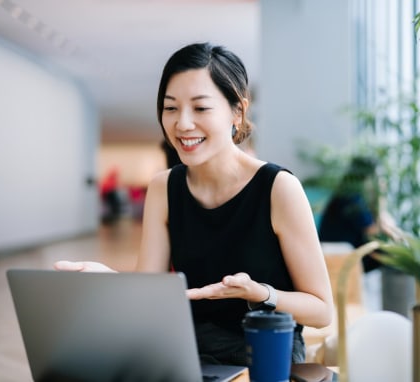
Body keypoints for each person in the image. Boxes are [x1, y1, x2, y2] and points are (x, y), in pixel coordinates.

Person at [55, 42, 333, 365]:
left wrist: (259, 294)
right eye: (171, 108)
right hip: (188, 348)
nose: (182, 124)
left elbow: (321, 310)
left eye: (200, 108)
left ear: (238, 111)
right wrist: (109, 279)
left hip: (265, 350)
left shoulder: (279, 188)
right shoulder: (164, 187)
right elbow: (150, 294)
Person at [318, 156, 400, 273]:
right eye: (378, 177)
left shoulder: (348, 194)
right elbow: (374, 230)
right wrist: (381, 199)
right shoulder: (351, 198)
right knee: (390, 254)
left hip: (341, 250)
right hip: (339, 254)